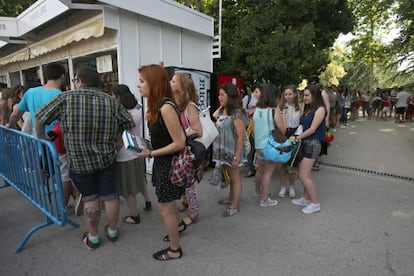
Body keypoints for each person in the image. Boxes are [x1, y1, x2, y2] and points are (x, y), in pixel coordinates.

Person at [34, 67, 135, 250]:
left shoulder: (65, 98)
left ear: (79, 81)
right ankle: (112, 231)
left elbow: (39, 117)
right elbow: (129, 122)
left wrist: (42, 139)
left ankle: (93, 237)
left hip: (79, 161)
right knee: (110, 196)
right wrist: (118, 142)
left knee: (90, 198)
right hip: (107, 158)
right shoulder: (111, 101)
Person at [8, 63, 80, 211]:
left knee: (53, 173)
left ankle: (73, 194)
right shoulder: (60, 96)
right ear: (62, 76)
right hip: (58, 142)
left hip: (40, 142)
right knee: (64, 174)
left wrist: (9, 127)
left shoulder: (31, 93)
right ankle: (63, 207)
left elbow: (16, 114)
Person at [135, 64, 186, 261]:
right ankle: (179, 226)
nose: (138, 85)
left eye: (141, 81)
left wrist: (151, 152)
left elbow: (179, 142)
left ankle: (175, 249)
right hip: (162, 162)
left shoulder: (165, 107)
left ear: (153, 84)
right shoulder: (158, 105)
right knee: (168, 204)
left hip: (168, 164)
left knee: (165, 207)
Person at [113, 85, 151, 224]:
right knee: (141, 180)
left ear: (118, 97)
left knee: (128, 189)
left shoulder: (124, 116)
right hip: (138, 149)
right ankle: (148, 202)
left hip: (125, 155)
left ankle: (134, 215)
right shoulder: (138, 107)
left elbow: (121, 138)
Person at [170, 73, 202, 226]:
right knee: (183, 180)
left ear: (182, 86)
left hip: (188, 151)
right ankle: (186, 203)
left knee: (188, 183)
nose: (170, 83)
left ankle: (193, 212)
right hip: (181, 148)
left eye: (173, 81)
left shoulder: (190, 106)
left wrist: (179, 134)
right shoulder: (177, 103)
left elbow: (198, 130)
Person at [212, 83, 247, 216]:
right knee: (230, 177)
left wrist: (236, 157)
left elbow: (241, 137)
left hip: (232, 151)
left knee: (235, 178)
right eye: (219, 94)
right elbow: (215, 116)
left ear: (230, 96)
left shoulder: (237, 114)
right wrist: (222, 105)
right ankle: (231, 198)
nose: (219, 97)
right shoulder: (223, 110)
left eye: (222, 95)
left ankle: (234, 205)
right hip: (223, 150)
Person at [292, 84, 326, 214]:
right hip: (305, 143)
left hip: (313, 144)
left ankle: (315, 203)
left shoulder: (320, 109)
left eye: (307, 95)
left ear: (314, 96)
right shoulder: (307, 108)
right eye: (303, 95)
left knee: (303, 175)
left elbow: (312, 129)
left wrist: (297, 138)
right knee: (306, 174)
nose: (304, 98)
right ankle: (306, 198)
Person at [252, 83, 280, 206]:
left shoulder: (257, 110)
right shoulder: (273, 111)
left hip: (258, 145)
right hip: (269, 145)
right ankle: (264, 199)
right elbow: (282, 129)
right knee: (268, 172)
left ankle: (257, 191)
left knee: (260, 170)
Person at [275, 85, 300, 198]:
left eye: (290, 94)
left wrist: (298, 136)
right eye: (285, 94)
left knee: (292, 164)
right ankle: (282, 186)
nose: (287, 96)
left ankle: (291, 186)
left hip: (295, 134)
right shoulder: (280, 107)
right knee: (281, 164)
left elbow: (301, 123)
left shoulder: (300, 106)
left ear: (295, 94)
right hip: (282, 134)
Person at [243, 84, 261, 177]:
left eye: (259, 92)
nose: (257, 94)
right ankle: (251, 167)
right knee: (250, 147)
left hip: (259, 127)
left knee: (257, 147)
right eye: (256, 92)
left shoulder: (263, 101)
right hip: (248, 126)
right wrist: (247, 111)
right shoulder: (248, 98)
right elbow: (241, 109)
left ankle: (258, 167)